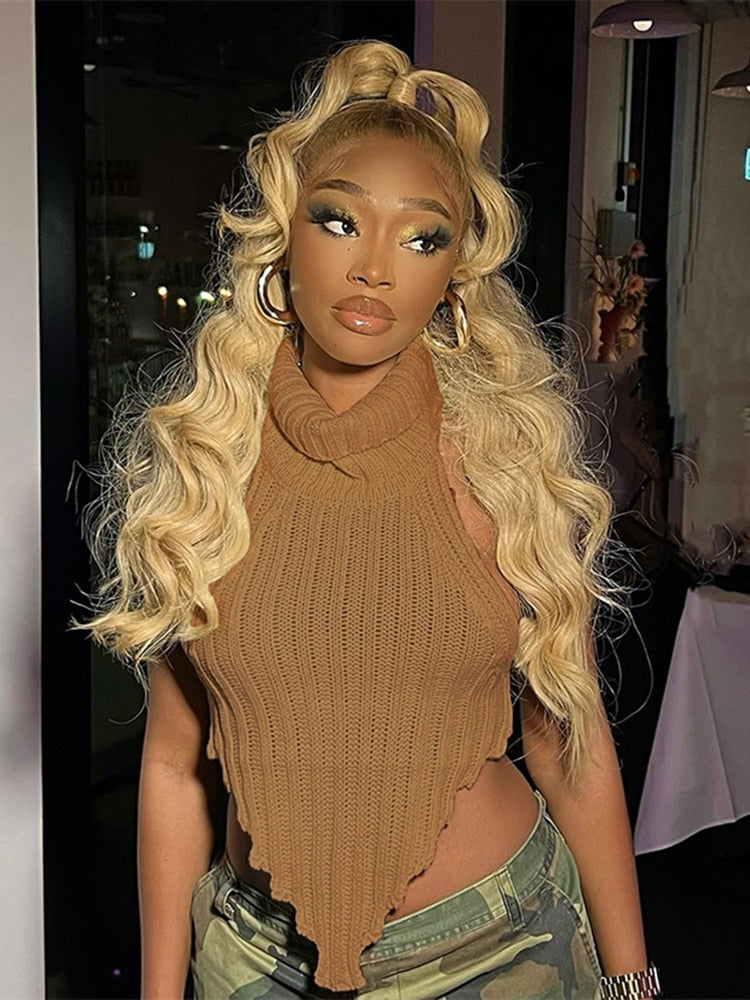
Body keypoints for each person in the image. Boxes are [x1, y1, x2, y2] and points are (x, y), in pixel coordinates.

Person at [84, 40, 660, 1000]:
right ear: (285, 239)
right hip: (256, 960)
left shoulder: (499, 462)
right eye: (340, 219)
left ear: (454, 277)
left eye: (423, 238)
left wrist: (633, 982)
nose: (377, 268)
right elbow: (175, 769)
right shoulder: (207, 463)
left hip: (501, 951)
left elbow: (567, 741)